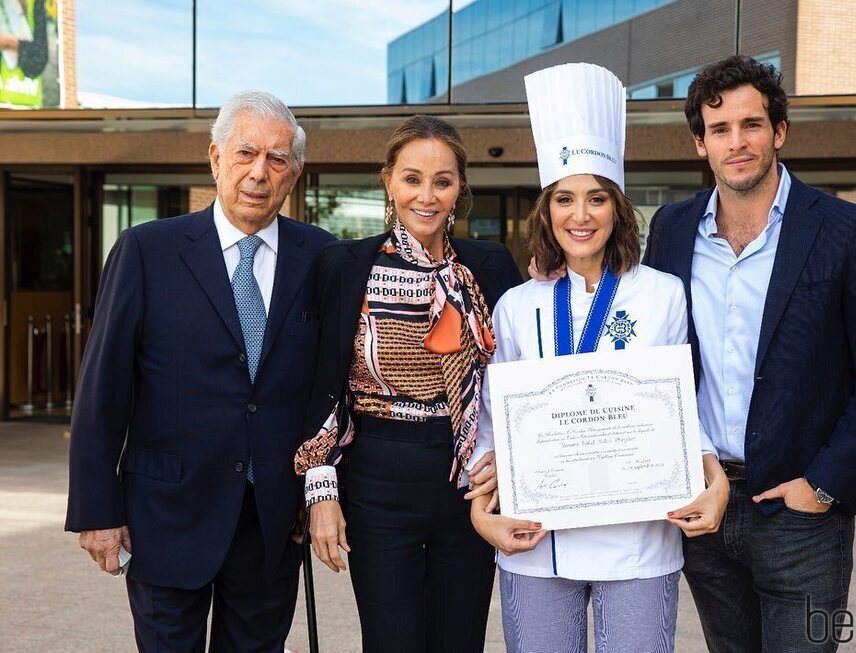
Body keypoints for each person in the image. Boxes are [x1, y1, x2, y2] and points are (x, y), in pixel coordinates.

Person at [643, 55, 856, 651]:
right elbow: (647, 343)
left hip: (799, 516)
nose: (737, 143)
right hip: (706, 506)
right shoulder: (671, 229)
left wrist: (822, 485)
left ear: (779, 131)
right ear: (700, 144)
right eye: (720, 130)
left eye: (752, 125)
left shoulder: (849, 230)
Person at [470, 63, 729, 653]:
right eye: (564, 199)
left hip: (640, 537)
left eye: (595, 198)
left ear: (617, 208)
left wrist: (711, 475)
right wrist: (482, 508)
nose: (579, 215)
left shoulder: (662, 293)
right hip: (537, 540)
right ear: (546, 209)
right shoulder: (515, 305)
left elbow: (680, 403)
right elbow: (492, 414)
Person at [65, 91, 335, 651]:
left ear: (295, 175)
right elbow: (103, 388)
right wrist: (97, 509)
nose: (259, 172)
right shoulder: (147, 250)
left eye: (277, 159)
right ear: (215, 159)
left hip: (270, 522)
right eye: (245, 154)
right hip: (165, 516)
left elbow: (336, 388)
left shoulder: (323, 258)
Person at [294, 114, 523, 653]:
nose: (427, 195)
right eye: (412, 178)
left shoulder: (490, 265)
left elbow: (519, 373)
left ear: (460, 187)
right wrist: (320, 490)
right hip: (377, 475)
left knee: (460, 639)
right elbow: (321, 386)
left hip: (470, 478)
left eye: (442, 181)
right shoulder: (345, 265)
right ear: (388, 181)